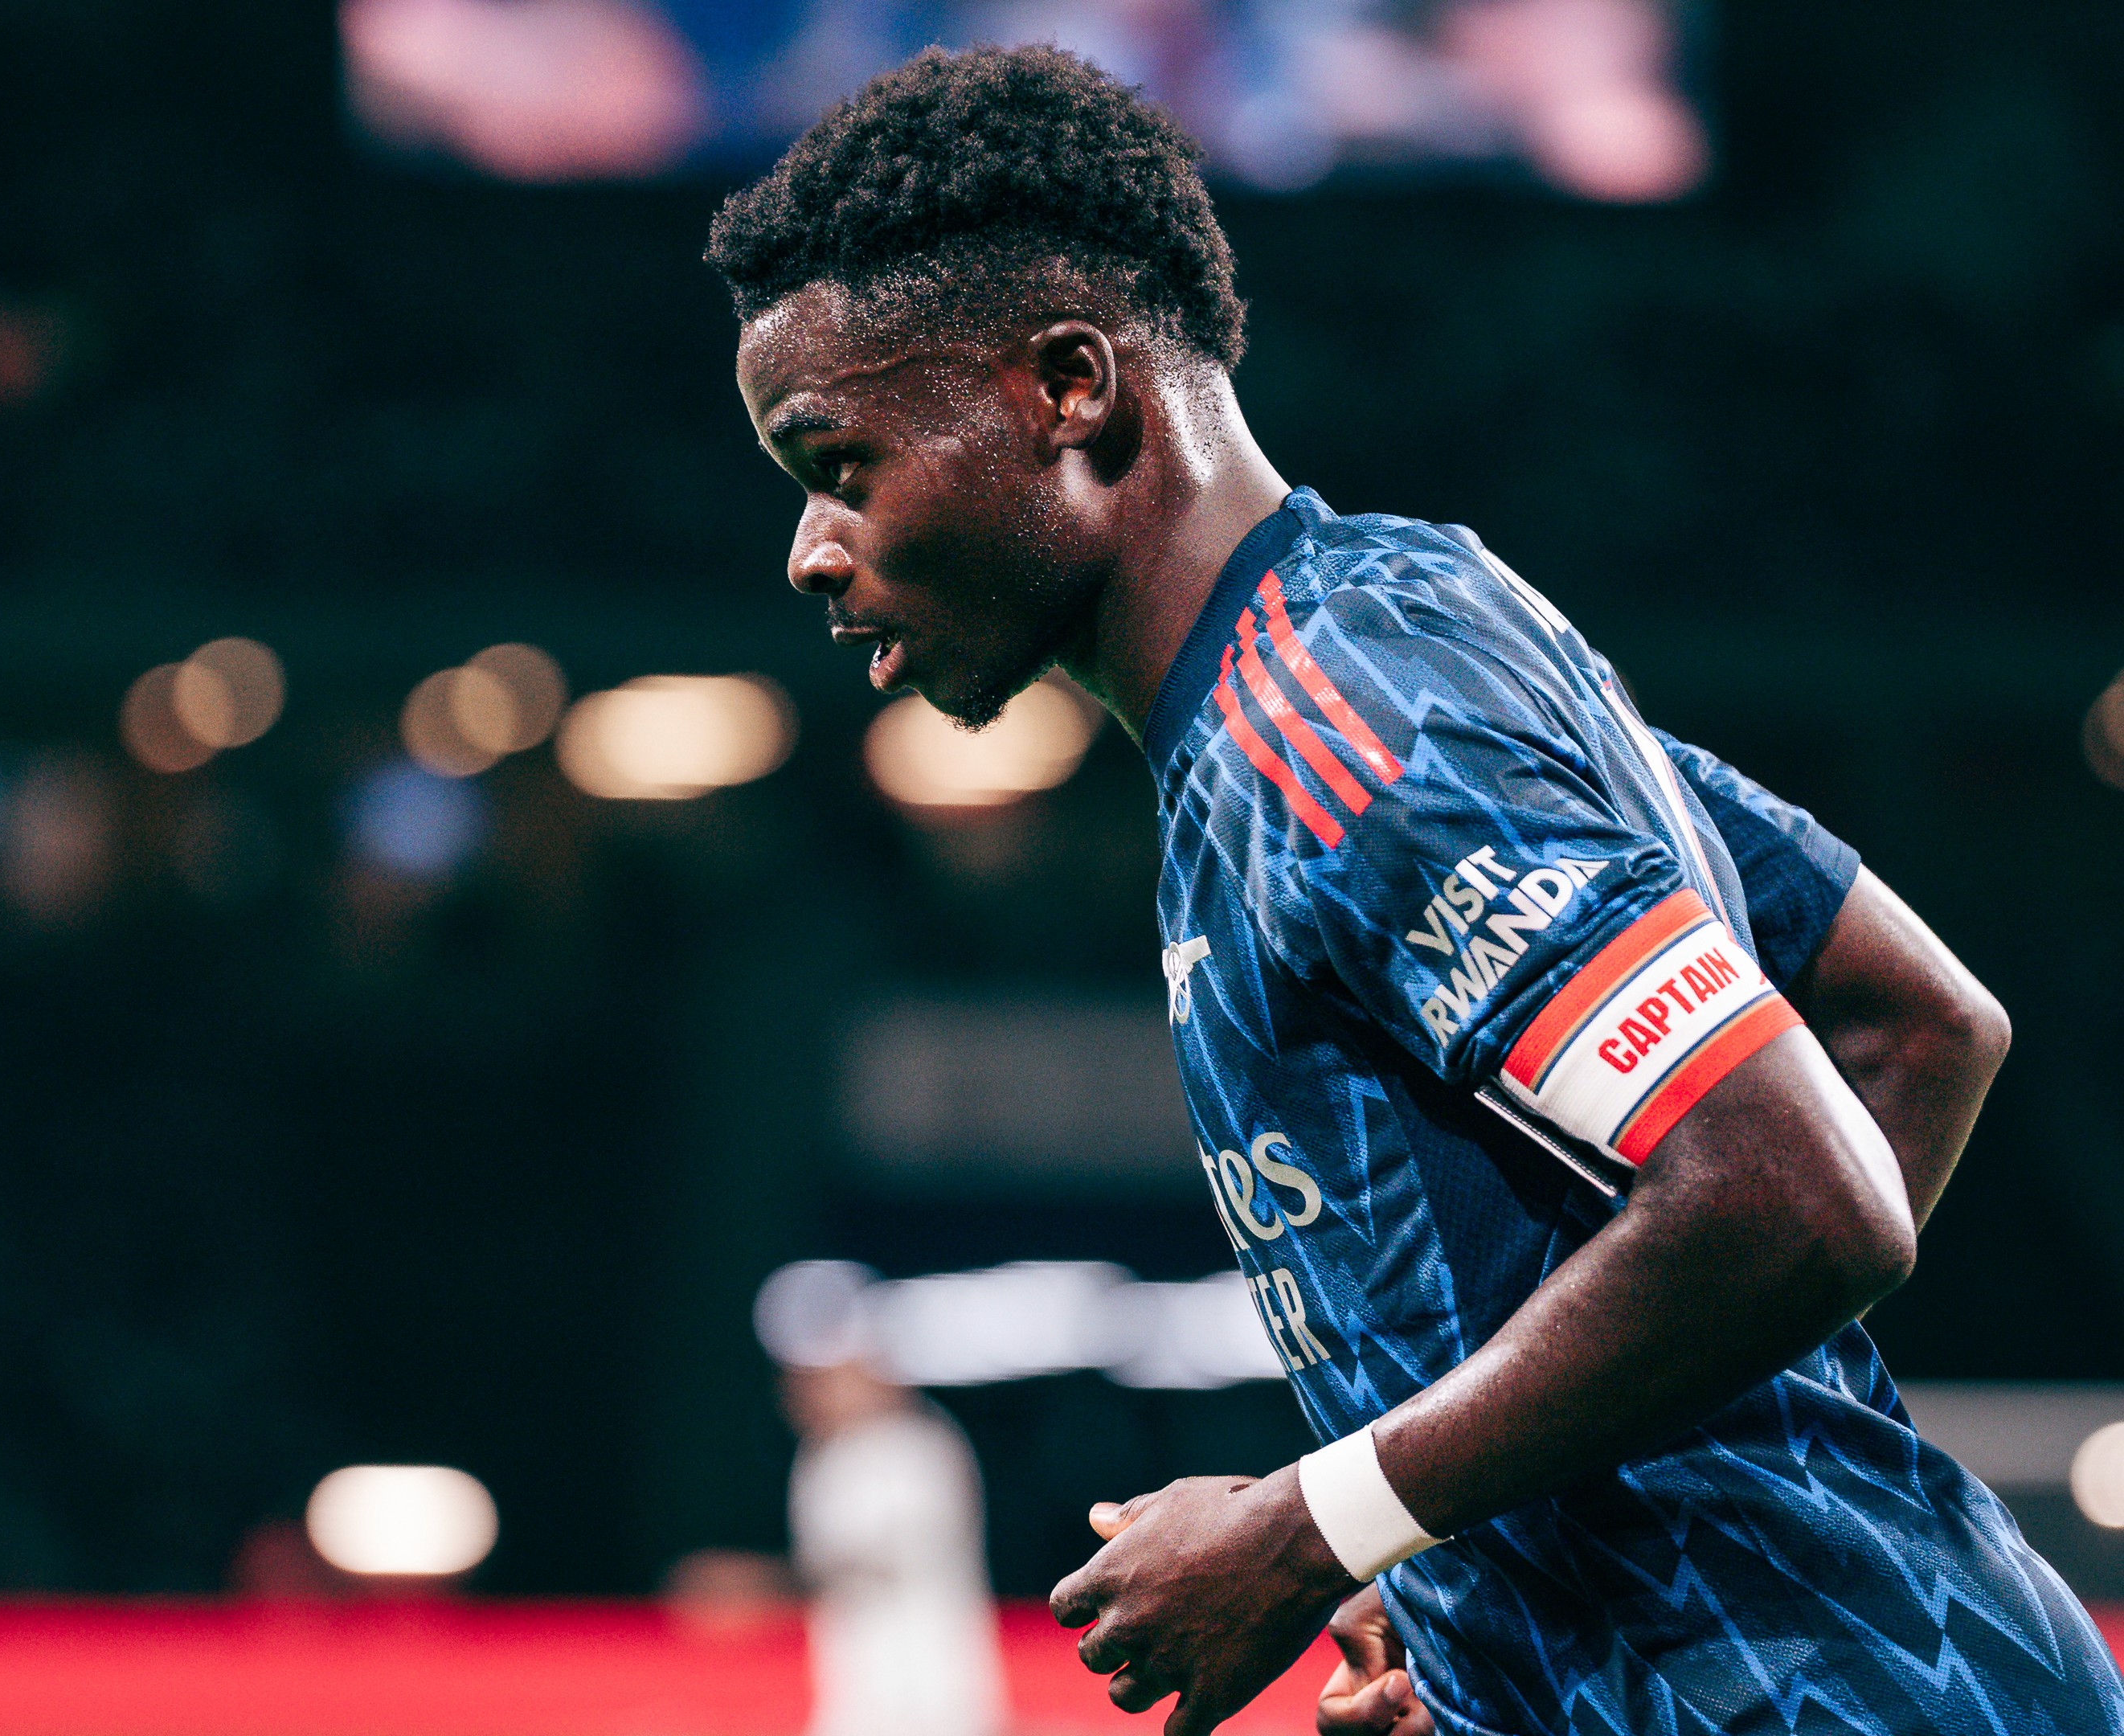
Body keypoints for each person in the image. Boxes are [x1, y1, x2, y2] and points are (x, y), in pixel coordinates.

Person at [706, 43, 2124, 1736]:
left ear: (1069, 386)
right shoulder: (1376, 638)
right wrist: (1483, 1574)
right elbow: (1918, 1022)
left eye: (838, 464)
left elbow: (1802, 1189)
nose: (808, 551)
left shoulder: (1352, 720)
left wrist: (1316, 1528)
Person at [779, 1357, 1008, 1736]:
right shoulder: (826, 1452)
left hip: (931, 1685)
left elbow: (877, 1552)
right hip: (859, 1683)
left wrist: (760, 1581)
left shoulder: (916, 1446)